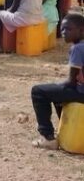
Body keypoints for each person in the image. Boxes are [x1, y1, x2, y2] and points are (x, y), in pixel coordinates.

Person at [31, 13, 84, 149]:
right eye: (62, 29)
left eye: (68, 29)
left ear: (81, 30)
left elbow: (71, 83)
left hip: (81, 92)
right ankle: (68, 129)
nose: (64, 32)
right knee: (56, 92)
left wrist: (57, 84)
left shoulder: (77, 49)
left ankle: (47, 137)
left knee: (39, 91)